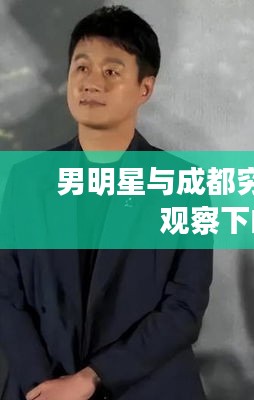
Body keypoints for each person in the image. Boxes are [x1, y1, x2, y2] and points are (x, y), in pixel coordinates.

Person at [0, 6, 212, 400]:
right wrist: (43, 385)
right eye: (81, 67)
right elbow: (6, 294)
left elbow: (184, 308)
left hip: (146, 388)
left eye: (111, 71)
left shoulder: (183, 185)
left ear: (144, 88)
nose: (91, 82)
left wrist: (91, 379)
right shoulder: (28, 180)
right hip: (40, 388)